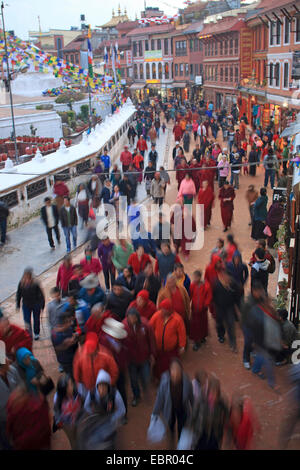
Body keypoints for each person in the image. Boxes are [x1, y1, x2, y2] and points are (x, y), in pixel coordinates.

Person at [78, 369, 126, 450]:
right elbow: (86, 406)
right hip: (97, 419)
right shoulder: (92, 393)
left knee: (109, 439)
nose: (102, 390)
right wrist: (93, 414)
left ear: (108, 386)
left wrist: (112, 418)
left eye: (104, 386)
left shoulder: (115, 394)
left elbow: (122, 409)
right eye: (100, 386)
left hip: (109, 419)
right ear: (97, 386)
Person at [151, 358, 193, 449]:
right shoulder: (164, 383)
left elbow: (191, 397)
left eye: (177, 372)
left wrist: (195, 410)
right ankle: (171, 442)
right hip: (169, 409)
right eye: (173, 372)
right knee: (170, 427)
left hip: (182, 408)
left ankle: (180, 445)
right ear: (170, 372)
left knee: (182, 428)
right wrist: (155, 413)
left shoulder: (186, 381)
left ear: (181, 372)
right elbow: (160, 398)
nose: (175, 375)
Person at [123, 308, 156, 407]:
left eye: (134, 317)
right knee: (133, 380)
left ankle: (146, 393)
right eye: (130, 317)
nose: (132, 320)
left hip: (144, 358)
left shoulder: (145, 325)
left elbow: (152, 340)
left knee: (146, 377)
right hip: (131, 359)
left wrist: (152, 354)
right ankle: (136, 396)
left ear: (137, 317)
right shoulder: (123, 326)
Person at [6, 384, 51, 450]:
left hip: (24, 445)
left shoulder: (12, 406)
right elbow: (47, 422)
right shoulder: (37, 405)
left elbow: (9, 431)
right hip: (41, 442)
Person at [73, 331, 119, 397]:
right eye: (89, 354)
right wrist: (81, 385)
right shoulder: (80, 355)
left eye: (92, 353)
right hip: (88, 389)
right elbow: (77, 374)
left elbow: (114, 372)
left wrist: (108, 385)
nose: (90, 355)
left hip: (104, 389)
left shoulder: (106, 355)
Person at [0, 347, 23, 450]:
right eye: (5, 360)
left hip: (18, 413)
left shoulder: (12, 370)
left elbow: (21, 386)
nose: (9, 360)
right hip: (4, 419)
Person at [213, 270, 241, 351]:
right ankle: (221, 335)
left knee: (230, 325)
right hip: (220, 307)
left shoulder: (233, 284)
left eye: (228, 277)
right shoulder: (217, 284)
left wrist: (237, 308)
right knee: (219, 323)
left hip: (229, 308)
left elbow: (237, 296)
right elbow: (214, 296)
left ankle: (233, 343)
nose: (226, 279)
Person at [53, 374, 83, 449]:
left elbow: (82, 403)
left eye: (72, 383)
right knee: (72, 439)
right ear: (64, 389)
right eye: (70, 385)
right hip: (66, 424)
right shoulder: (58, 398)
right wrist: (62, 424)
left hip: (77, 420)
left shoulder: (77, 392)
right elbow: (56, 412)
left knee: (78, 435)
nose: (72, 386)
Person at [16, 268, 45, 341]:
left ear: (31, 276)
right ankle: (29, 335)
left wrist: (42, 305)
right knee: (27, 321)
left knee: (36, 320)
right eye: (25, 276)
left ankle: (36, 333)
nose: (26, 278)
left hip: (36, 304)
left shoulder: (36, 283)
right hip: (26, 305)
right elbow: (18, 294)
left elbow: (41, 295)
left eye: (28, 276)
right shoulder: (21, 283)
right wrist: (18, 305)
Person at [189, 271, 212, 351]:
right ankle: (196, 342)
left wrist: (205, 305)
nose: (194, 279)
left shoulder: (206, 286)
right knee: (196, 326)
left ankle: (202, 337)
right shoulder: (192, 285)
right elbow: (190, 295)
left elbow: (209, 296)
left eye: (196, 277)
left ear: (199, 277)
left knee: (203, 324)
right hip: (195, 309)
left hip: (203, 309)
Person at [51, 311, 79, 375]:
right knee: (71, 375)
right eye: (68, 322)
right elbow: (57, 348)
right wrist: (66, 344)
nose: (71, 323)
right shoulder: (56, 335)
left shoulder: (68, 328)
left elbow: (73, 336)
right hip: (66, 360)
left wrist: (74, 336)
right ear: (63, 323)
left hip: (72, 356)